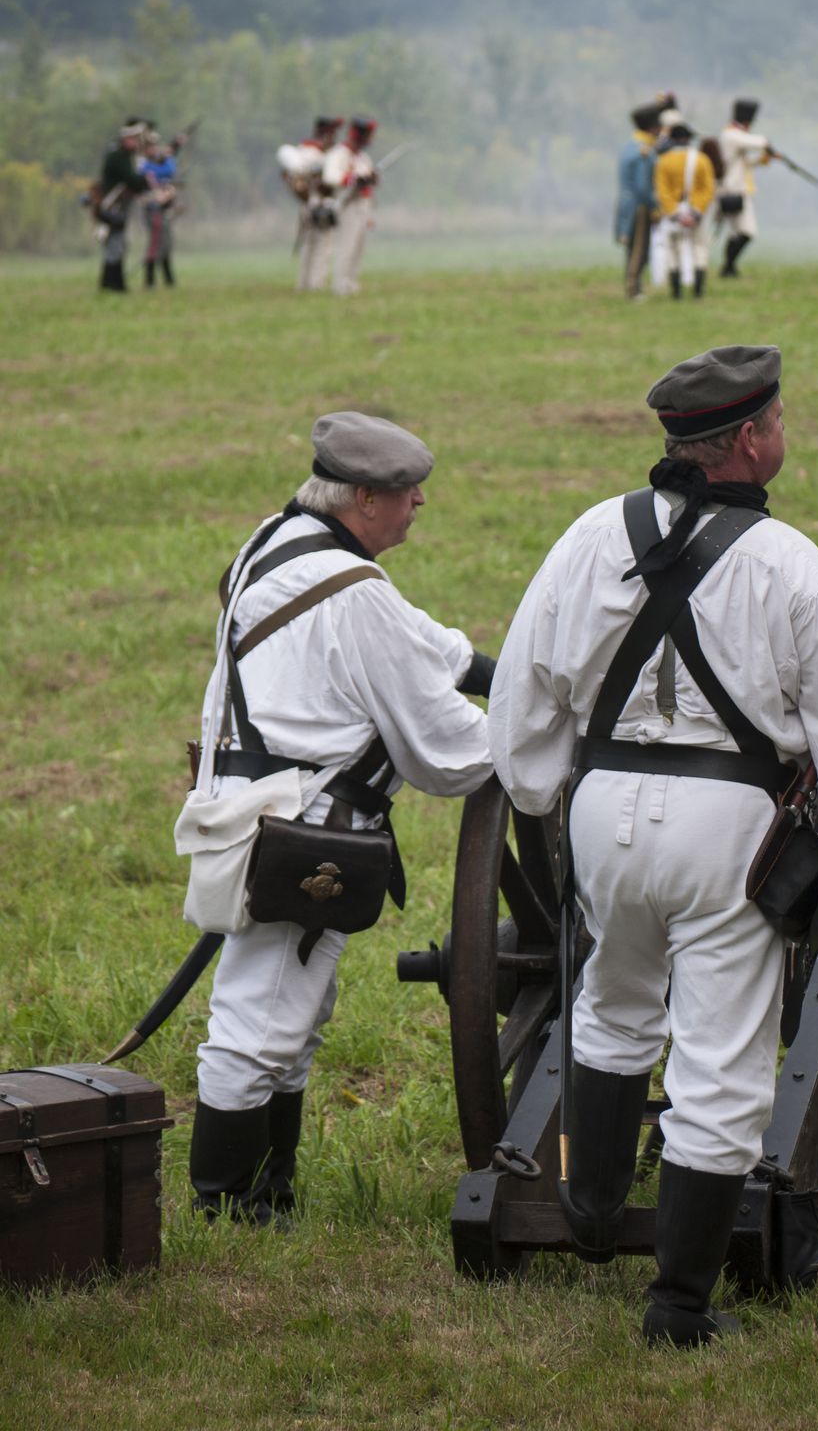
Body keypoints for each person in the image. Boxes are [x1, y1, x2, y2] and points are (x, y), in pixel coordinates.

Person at [488, 345, 818, 1346]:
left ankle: (593, 1216)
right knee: (724, 1060)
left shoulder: (590, 535)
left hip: (602, 816)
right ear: (748, 439)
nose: (783, 433)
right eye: (777, 421)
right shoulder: (793, 568)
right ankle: (679, 1306)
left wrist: (544, 782)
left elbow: (523, 689)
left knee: (610, 1001)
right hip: (730, 829)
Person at [188, 411, 495, 1223]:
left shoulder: (278, 540)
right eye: (405, 491)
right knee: (258, 1018)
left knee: (293, 1006)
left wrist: (491, 670)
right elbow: (445, 752)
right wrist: (527, 736)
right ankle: (224, 1208)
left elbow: (410, 636)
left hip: (255, 805)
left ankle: (269, 1189)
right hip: (306, 823)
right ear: (363, 498)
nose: (419, 500)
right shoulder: (351, 590)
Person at [278, 116, 342, 291]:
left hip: (308, 204)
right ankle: (315, 285)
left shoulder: (305, 151)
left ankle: (304, 285)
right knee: (321, 247)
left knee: (310, 246)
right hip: (317, 203)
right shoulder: (314, 154)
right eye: (332, 132)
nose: (334, 137)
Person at [653, 121, 716, 298]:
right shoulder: (702, 160)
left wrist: (674, 214)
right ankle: (698, 290)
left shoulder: (663, 161)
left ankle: (677, 291)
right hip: (696, 211)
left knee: (673, 250)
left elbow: (662, 190)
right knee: (699, 248)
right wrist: (697, 211)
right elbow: (708, 188)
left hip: (674, 213)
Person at [717, 98, 773, 278]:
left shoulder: (736, 137)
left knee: (736, 233)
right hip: (733, 191)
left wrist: (764, 159)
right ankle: (728, 267)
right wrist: (768, 147)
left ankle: (729, 268)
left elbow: (744, 164)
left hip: (736, 189)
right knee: (747, 231)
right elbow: (761, 142)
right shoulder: (731, 135)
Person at [94, 120, 149, 292]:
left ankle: (115, 284)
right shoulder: (118, 157)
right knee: (114, 246)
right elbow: (132, 180)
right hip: (112, 206)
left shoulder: (125, 157)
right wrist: (143, 178)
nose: (135, 143)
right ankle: (112, 284)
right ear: (125, 139)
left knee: (118, 245)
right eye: (132, 139)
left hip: (118, 206)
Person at [615, 103, 661, 300]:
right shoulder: (644, 151)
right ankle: (634, 290)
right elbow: (643, 186)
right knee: (639, 250)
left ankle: (634, 288)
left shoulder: (631, 146)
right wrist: (654, 207)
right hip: (639, 206)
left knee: (633, 248)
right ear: (652, 128)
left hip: (628, 203)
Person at [328, 117, 378, 296]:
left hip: (362, 205)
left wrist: (370, 180)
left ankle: (351, 282)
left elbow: (369, 183)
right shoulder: (339, 154)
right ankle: (340, 285)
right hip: (347, 204)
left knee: (358, 247)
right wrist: (353, 179)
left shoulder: (363, 157)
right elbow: (331, 176)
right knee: (346, 246)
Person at [139, 129, 183, 287]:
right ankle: (150, 280)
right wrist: (169, 156)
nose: (153, 149)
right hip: (152, 208)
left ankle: (168, 279)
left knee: (166, 242)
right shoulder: (143, 164)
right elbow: (163, 170)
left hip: (164, 207)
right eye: (149, 146)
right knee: (155, 243)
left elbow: (170, 170)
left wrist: (173, 151)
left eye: (154, 145)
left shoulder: (161, 160)